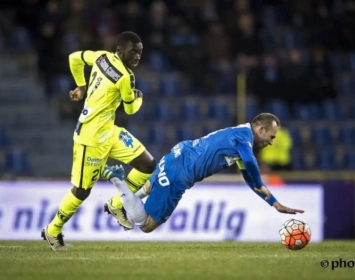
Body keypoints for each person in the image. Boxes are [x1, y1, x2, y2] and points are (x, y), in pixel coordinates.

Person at [42, 31, 156, 251]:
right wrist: (139, 98)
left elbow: (73, 58)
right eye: (133, 52)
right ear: (120, 50)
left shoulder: (101, 57)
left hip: (109, 131)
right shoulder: (125, 77)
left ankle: (116, 205)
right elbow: (131, 109)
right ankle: (53, 230)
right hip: (91, 138)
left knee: (148, 165)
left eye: (140, 53)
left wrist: (82, 86)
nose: (137, 57)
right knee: (82, 190)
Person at [102, 113, 304, 233]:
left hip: (178, 153)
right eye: (271, 136)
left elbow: (248, 177)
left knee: (148, 187)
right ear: (260, 130)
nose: (271, 142)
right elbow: (251, 163)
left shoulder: (239, 137)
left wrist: (274, 203)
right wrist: (261, 183)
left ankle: (116, 205)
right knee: (146, 225)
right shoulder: (244, 137)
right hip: (181, 173)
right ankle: (119, 182)